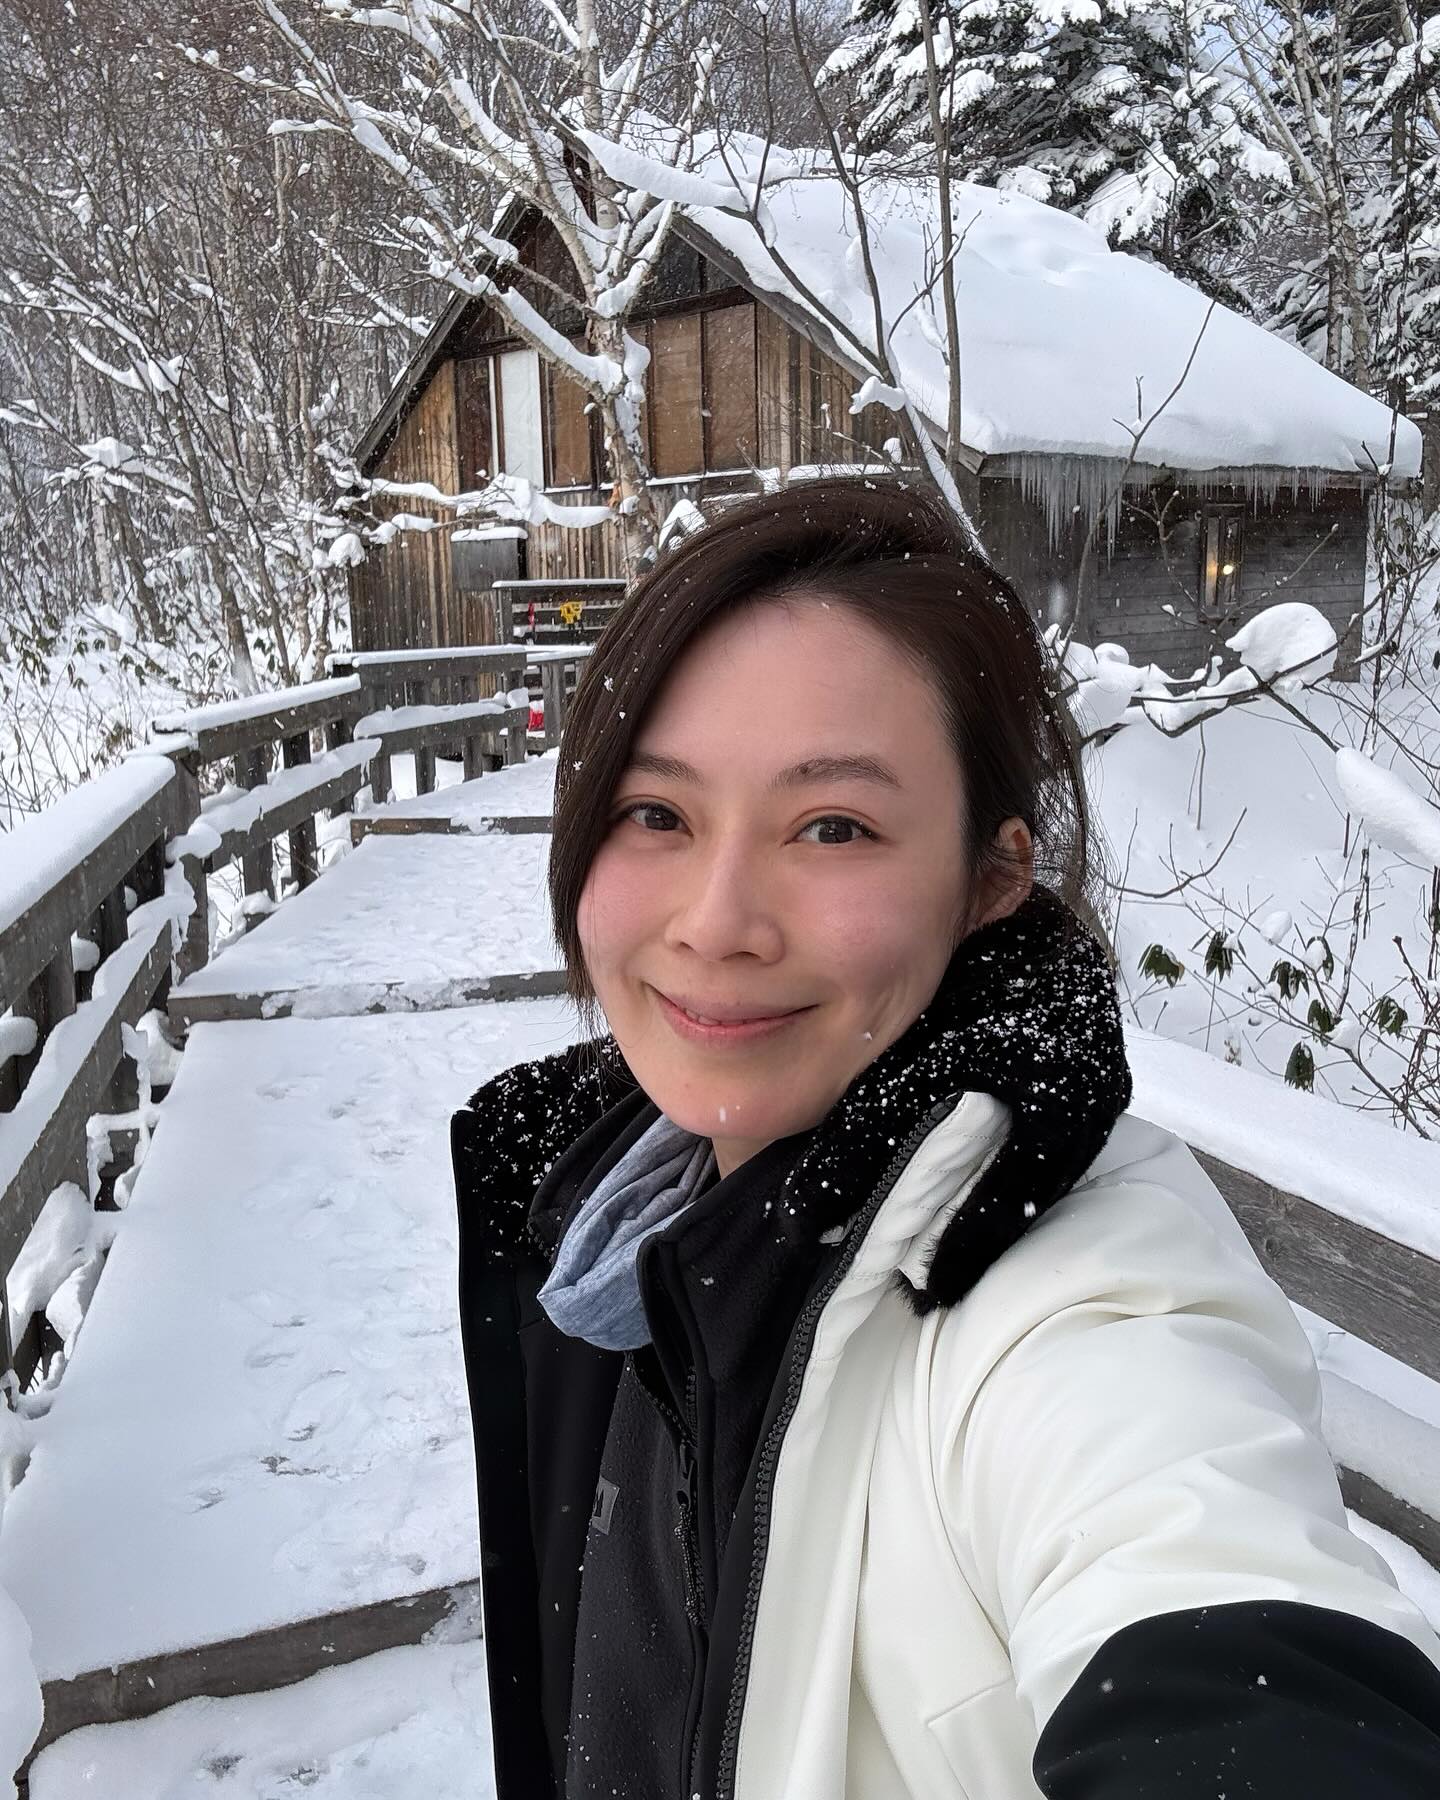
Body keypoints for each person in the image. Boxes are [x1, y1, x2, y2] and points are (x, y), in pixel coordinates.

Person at [450, 477, 1440, 1800]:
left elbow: (1212, 1597)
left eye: (834, 827)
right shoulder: (615, 1223)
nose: (718, 922)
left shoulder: (1074, 1310)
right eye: (658, 814)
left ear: (990, 877)